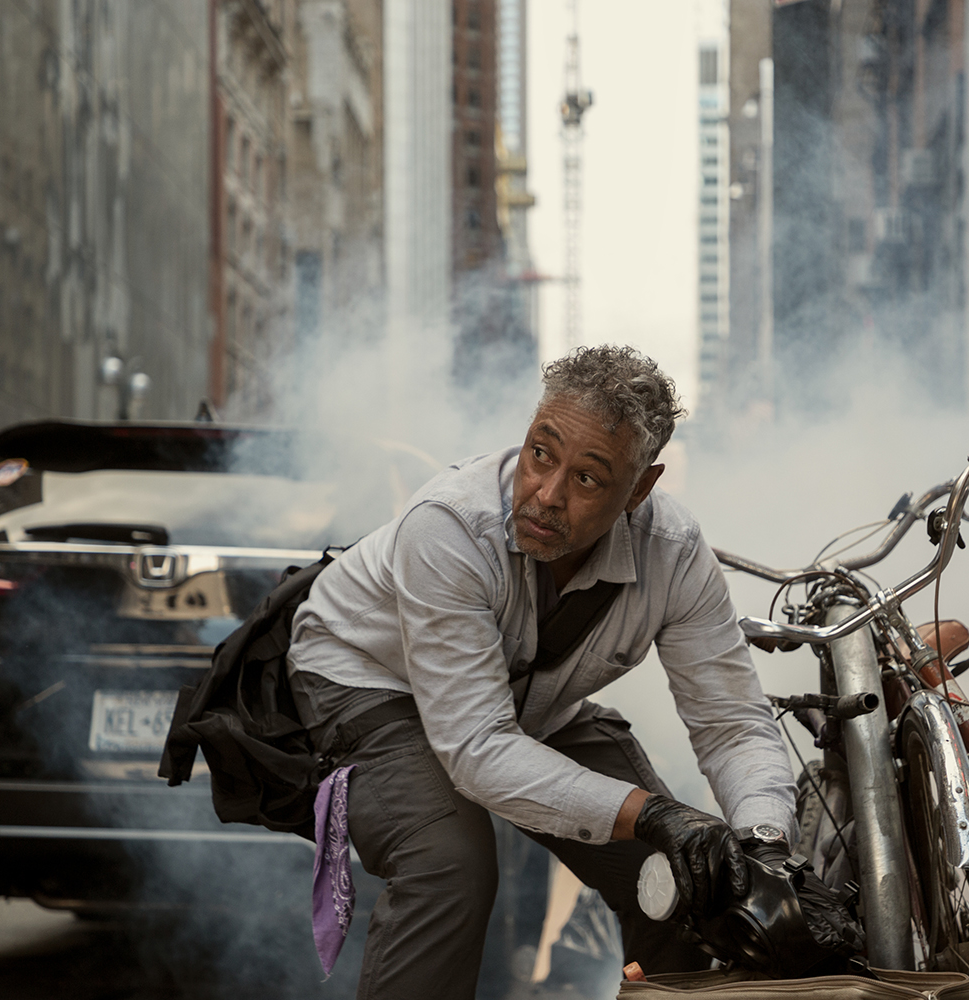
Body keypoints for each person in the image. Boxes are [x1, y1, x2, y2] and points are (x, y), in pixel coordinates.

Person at [287, 345, 798, 999]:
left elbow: (731, 725)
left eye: (588, 478)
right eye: (540, 454)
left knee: (683, 873)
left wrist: (764, 843)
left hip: (519, 704)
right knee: (450, 861)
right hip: (367, 680)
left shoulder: (674, 553)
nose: (546, 495)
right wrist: (653, 812)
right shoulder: (449, 528)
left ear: (641, 488)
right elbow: (476, 750)